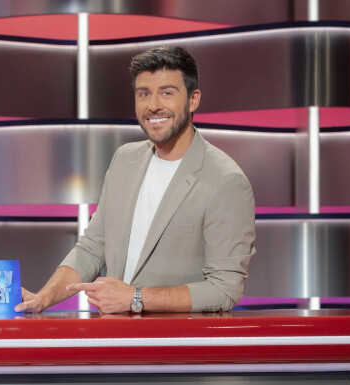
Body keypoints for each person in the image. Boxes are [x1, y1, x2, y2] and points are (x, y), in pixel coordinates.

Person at [15, 45, 256, 314]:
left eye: (167, 93)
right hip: (115, 335)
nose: (153, 105)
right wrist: (44, 298)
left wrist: (135, 297)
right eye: (144, 94)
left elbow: (224, 289)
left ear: (193, 99)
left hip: (178, 339)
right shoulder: (124, 159)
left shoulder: (225, 181)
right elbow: (92, 248)